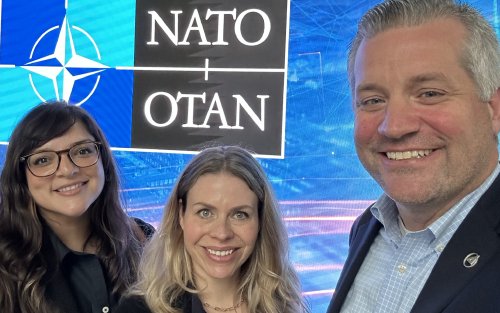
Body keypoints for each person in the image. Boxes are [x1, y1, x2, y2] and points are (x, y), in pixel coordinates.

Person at [327, 0, 500, 312]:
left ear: (494, 108)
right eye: (373, 100)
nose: (394, 127)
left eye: (430, 94)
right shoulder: (366, 228)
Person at [0, 101, 155, 313]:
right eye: (43, 159)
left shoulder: (145, 241)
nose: (67, 169)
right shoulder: (4, 263)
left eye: (82, 151)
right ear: (21, 177)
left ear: (103, 160)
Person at [116, 146, 309, 313]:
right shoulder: (139, 310)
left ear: (260, 221)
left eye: (240, 214)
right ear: (180, 215)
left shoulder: (286, 306)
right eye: (205, 213)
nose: (222, 233)